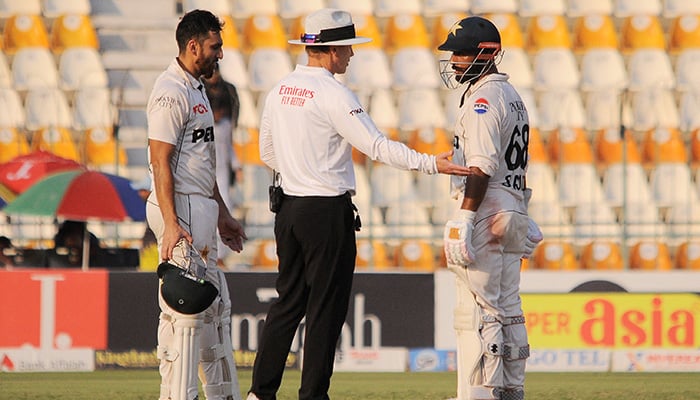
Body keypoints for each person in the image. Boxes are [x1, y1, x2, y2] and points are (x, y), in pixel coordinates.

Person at [247, 8, 473, 400]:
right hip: (324, 212)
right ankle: (312, 395)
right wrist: (429, 164)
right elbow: (375, 146)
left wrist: (301, 169)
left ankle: (259, 394)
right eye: (348, 48)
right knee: (325, 311)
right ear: (332, 50)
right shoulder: (334, 93)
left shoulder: (280, 89)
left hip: (288, 209)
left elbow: (268, 151)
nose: (351, 56)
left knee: (287, 305)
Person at [438, 16, 543, 400]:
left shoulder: (482, 98)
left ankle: (480, 393)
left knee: (479, 310)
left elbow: (481, 166)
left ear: (488, 53)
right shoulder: (511, 95)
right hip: (512, 206)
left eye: (461, 54)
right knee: (508, 308)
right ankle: (511, 389)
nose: (454, 62)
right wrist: (522, 210)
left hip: (487, 209)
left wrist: (465, 217)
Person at [145, 9, 247, 400]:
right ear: (193, 46)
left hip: (200, 205)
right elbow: (160, 160)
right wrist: (171, 222)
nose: (219, 54)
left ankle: (221, 394)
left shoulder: (197, 87)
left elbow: (202, 161)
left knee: (213, 308)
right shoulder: (170, 91)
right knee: (184, 311)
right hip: (181, 207)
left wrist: (221, 212)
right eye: (214, 46)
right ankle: (177, 396)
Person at [202, 63, 242, 268]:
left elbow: (230, 146)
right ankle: (208, 251)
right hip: (205, 165)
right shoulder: (199, 95)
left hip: (222, 168)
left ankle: (221, 253)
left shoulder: (225, 125)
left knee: (224, 202)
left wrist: (236, 166)